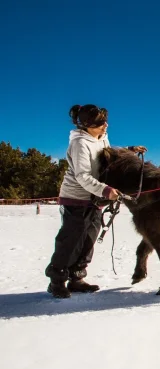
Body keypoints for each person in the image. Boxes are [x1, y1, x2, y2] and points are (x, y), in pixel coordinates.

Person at [45, 104, 147, 298]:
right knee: (71, 240)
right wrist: (106, 190)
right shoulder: (79, 143)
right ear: (86, 125)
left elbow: (106, 156)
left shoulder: (101, 138)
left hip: (95, 198)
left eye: (105, 121)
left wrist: (129, 150)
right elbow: (83, 175)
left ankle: (77, 278)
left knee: (89, 239)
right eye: (100, 123)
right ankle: (56, 280)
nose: (105, 125)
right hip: (76, 198)